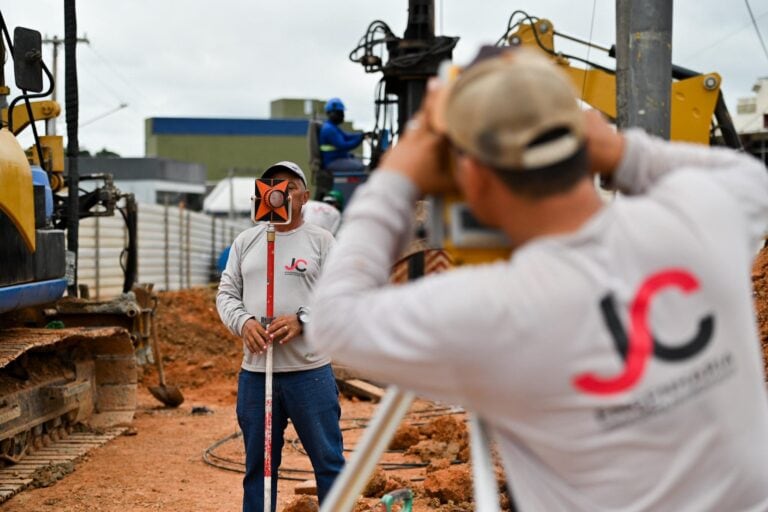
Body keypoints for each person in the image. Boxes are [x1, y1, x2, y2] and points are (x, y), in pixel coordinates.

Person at [307, 47, 768, 511]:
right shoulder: (700, 216)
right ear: (584, 139)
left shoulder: (493, 310)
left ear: (474, 176)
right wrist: (619, 149)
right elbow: (750, 178)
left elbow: (334, 321)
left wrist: (396, 177)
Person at [216, 161, 344, 512]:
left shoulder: (321, 242)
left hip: (309, 373)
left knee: (329, 462)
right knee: (259, 467)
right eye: (272, 184)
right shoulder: (246, 242)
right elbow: (226, 294)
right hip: (257, 376)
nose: (280, 192)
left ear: (305, 196)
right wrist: (244, 323)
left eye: (289, 186)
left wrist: (304, 320)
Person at [319, 97, 368, 175]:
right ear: (331, 113)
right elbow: (344, 146)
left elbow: (347, 136)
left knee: (361, 164)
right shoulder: (329, 129)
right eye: (340, 113)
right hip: (333, 162)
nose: (343, 115)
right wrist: (360, 139)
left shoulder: (332, 127)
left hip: (338, 159)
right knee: (361, 167)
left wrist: (362, 135)